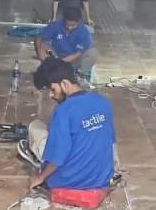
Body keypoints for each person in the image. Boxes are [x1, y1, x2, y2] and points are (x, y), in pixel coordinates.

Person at [17, 58, 115, 191]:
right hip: (100, 179)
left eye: (52, 89)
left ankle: (35, 156)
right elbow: (110, 140)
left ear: (64, 83)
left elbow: (57, 158)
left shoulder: (63, 112)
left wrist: (40, 177)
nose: (51, 95)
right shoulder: (103, 102)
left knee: (36, 126)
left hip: (67, 181)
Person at [34, 6, 97, 82]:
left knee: (92, 53)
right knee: (43, 45)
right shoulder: (56, 25)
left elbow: (77, 54)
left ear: (78, 21)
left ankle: (79, 75)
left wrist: (60, 63)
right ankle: (48, 71)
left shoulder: (84, 32)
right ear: (64, 20)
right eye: (67, 25)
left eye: (73, 25)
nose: (70, 28)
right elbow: (39, 38)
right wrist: (40, 53)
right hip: (56, 57)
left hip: (73, 61)